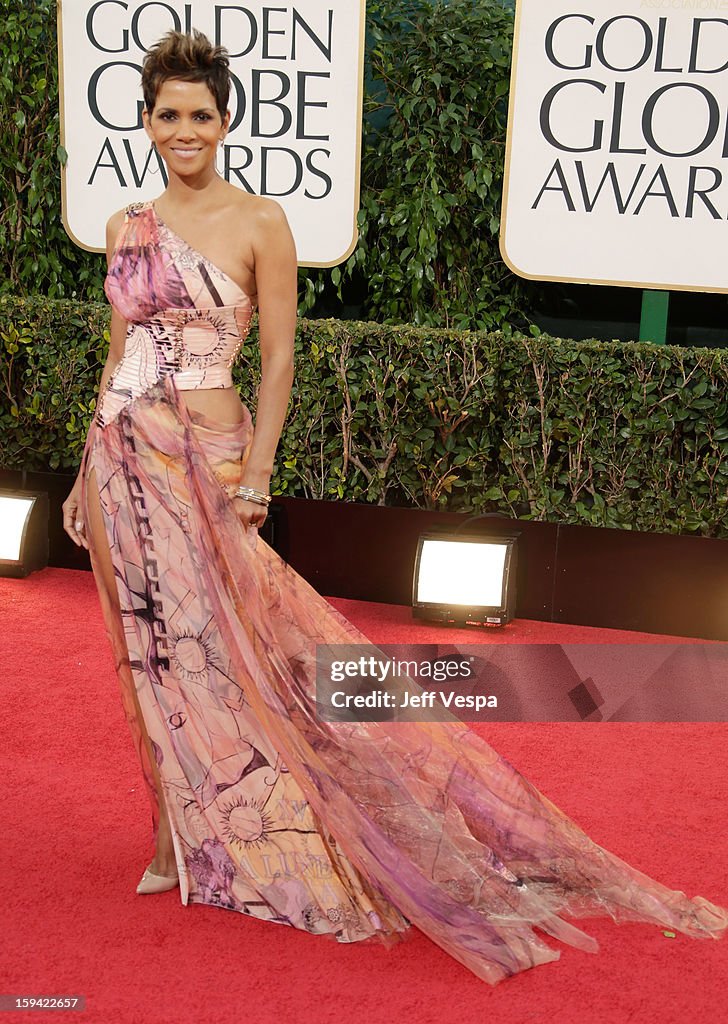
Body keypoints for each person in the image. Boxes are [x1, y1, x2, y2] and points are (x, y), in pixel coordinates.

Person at [61, 29, 728, 987]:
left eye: (201, 114)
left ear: (226, 119)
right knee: (149, 655)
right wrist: (87, 466)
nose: (184, 131)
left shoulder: (260, 223)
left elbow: (281, 357)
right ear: (146, 119)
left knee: (240, 659)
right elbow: (116, 351)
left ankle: (275, 822)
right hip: (122, 459)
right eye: (168, 114)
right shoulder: (128, 224)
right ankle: (173, 836)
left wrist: (255, 476)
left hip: (204, 461)